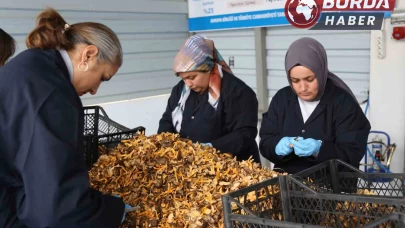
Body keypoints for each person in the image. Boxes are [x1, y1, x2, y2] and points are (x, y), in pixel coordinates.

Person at [0, 8, 133, 228]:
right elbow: (55, 206)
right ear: (88, 55)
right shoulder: (53, 95)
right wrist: (111, 210)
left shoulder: (31, 64)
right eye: (102, 78)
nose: (95, 90)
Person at [259, 37, 371, 174]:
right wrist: (276, 146)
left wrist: (320, 149)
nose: (302, 87)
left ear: (321, 72)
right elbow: (265, 141)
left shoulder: (343, 103)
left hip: (330, 190)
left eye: (309, 79)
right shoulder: (281, 99)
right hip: (287, 186)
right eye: (295, 80)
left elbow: (353, 152)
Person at [158, 35, 260, 163]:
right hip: (191, 166)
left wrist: (211, 148)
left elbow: (244, 134)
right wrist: (166, 144)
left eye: (192, 77)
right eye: (183, 78)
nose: (188, 84)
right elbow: (167, 119)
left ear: (208, 69)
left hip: (232, 167)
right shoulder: (180, 91)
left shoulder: (237, 92)